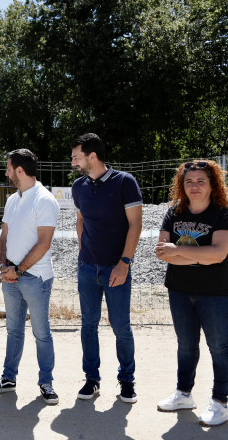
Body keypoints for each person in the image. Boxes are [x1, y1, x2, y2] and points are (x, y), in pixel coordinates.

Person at [155, 160, 228, 427]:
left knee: (219, 347)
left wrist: (178, 251)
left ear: (213, 184)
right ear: (182, 185)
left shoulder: (222, 213)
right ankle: (183, 394)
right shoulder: (174, 212)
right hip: (179, 290)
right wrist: (197, 256)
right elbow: (162, 253)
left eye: (201, 181)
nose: (194, 186)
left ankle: (220, 403)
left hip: (215, 293)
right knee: (186, 346)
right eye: (189, 181)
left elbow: (218, 254)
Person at [70, 133, 142, 403]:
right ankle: (92, 379)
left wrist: (124, 263)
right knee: (88, 325)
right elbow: (80, 220)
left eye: (77, 157)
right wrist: (82, 251)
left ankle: (126, 380)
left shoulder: (125, 182)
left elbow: (135, 224)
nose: (74, 162)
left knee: (121, 326)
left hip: (116, 268)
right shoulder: (79, 186)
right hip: (87, 268)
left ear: (92, 156)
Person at [0, 149, 61, 405]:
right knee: (13, 331)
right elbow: (4, 236)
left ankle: (46, 382)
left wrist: (17, 270)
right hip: (12, 276)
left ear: (19, 170)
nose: (6, 173)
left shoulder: (44, 199)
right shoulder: (13, 199)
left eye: (8, 168)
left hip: (35, 278)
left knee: (41, 332)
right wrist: (5, 266)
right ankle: (9, 378)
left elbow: (44, 243)